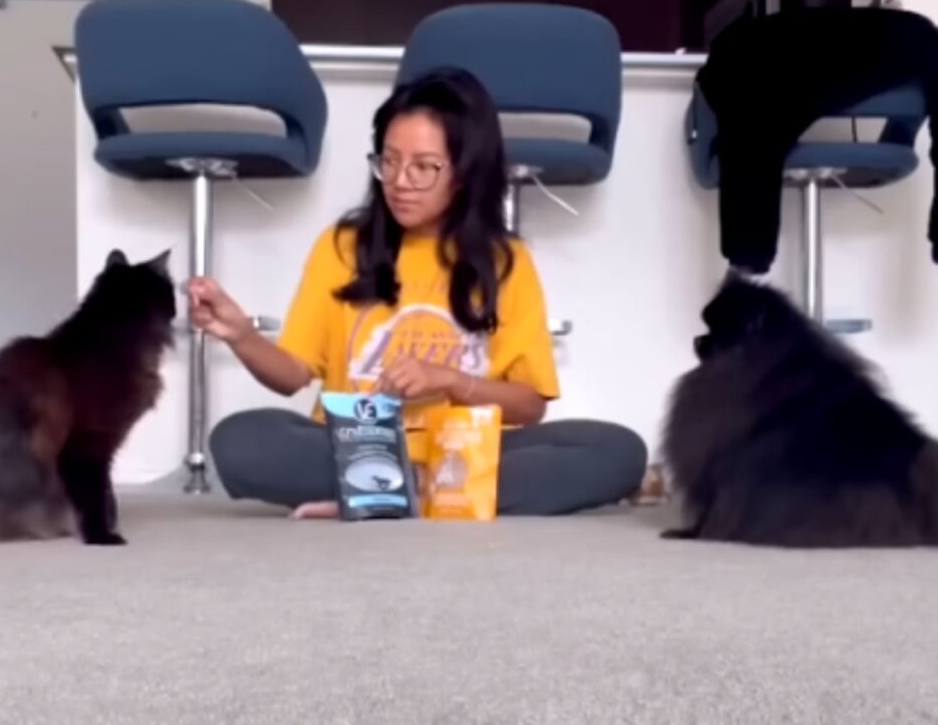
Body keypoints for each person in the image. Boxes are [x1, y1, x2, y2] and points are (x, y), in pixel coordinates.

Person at [188, 67, 647, 517]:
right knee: (239, 440)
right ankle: (426, 489)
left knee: (617, 450)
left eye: (424, 167)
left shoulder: (505, 261)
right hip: (357, 446)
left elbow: (528, 407)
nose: (400, 181)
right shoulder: (342, 246)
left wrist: (449, 380)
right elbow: (291, 375)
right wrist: (240, 334)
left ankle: (391, 489)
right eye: (388, 161)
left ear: (466, 172)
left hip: (468, 450)